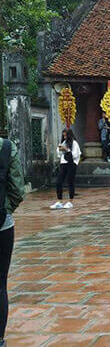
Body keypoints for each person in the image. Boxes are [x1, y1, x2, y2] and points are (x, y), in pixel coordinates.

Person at [0, 136, 25, 347]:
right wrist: (5, 210)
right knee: (0, 284)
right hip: (1, 223)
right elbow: (17, 189)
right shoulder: (6, 147)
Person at [50, 129, 81, 210]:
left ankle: (70, 201)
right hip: (63, 163)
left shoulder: (74, 143)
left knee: (70, 182)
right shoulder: (63, 143)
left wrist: (67, 150)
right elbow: (59, 155)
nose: (65, 137)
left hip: (71, 164)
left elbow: (75, 155)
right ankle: (59, 201)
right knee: (59, 182)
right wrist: (60, 149)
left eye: (66, 135)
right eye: (63, 136)